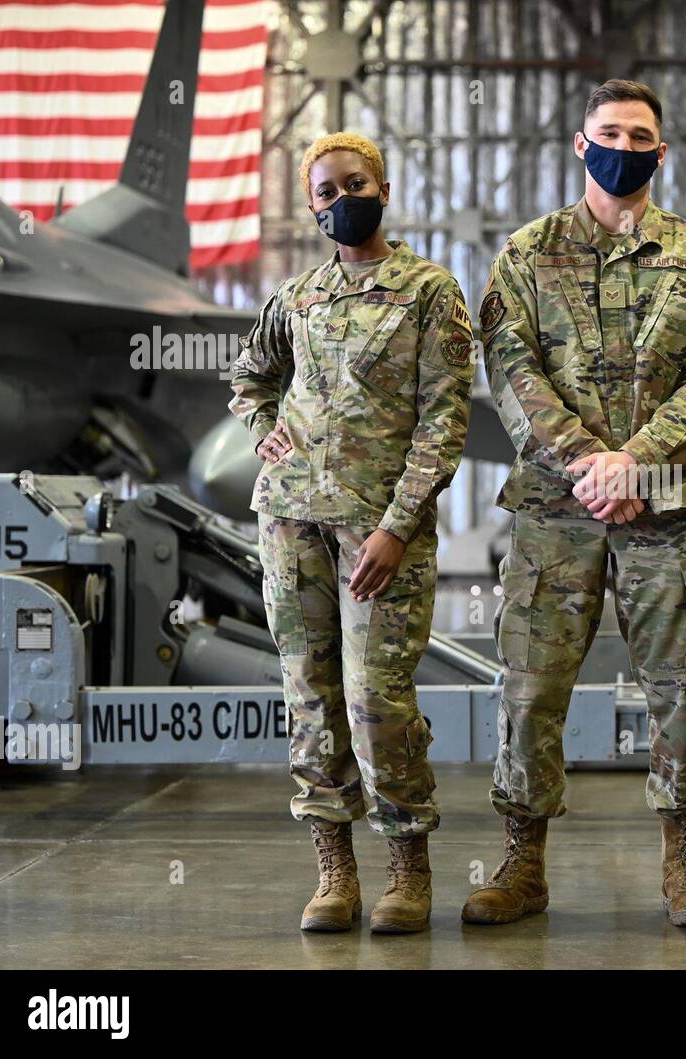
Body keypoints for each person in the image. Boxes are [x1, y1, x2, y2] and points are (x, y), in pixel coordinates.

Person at [462, 79, 686, 928]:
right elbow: (513, 377)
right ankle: (522, 862)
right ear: (582, 147)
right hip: (556, 506)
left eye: (641, 134)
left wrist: (637, 460)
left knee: (680, 687)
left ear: (662, 152)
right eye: (609, 132)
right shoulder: (526, 255)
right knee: (530, 687)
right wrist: (592, 462)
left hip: (662, 502)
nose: (625, 145)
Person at [228, 132, 474, 934]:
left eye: (354, 184)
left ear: (385, 188)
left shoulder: (430, 291)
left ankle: (408, 866)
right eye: (326, 192)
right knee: (310, 697)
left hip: (379, 532)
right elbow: (250, 373)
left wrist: (400, 527)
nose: (342, 200)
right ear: (312, 207)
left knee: (377, 700)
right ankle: (334, 870)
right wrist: (266, 423)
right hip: (290, 521)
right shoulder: (297, 297)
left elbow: (445, 420)